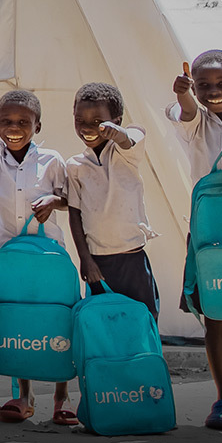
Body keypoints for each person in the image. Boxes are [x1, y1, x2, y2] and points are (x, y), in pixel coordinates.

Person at [0, 42, 73, 424]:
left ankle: (61, 397)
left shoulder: (51, 160)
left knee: (56, 318)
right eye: (6, 122)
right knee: (18, 320)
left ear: (38, 125)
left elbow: (70, 199)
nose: (14, 129)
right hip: (7, 254)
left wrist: (54, 202)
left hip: (47, 255)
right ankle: (23, 397)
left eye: (24, 122)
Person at [167, 50, 222, 430]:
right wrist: (182, 94)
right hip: (210, 236)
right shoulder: (196, 122)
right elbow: (187, 111)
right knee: (216, 317)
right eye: (204, 85)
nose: (213, 92)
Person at [66, 82, 159, 320]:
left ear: (116, 121)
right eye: (80, 120)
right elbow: (75, 214)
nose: (87, 127)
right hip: (98, 263)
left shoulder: (126, 153)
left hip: (132, 259)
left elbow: (134, 135)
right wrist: (85, 259)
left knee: (142, 321)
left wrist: (115, 132)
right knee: (106, 327)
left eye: (97, 121)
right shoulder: (75, 165)